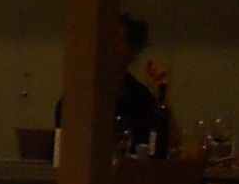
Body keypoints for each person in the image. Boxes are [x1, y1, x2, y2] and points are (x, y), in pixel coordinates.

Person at [56, 12, 172, 159]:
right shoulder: (80, 95)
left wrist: (161, 95)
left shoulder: (140, 97)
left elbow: (161, 148)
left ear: (133, 49)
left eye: (116, 41)